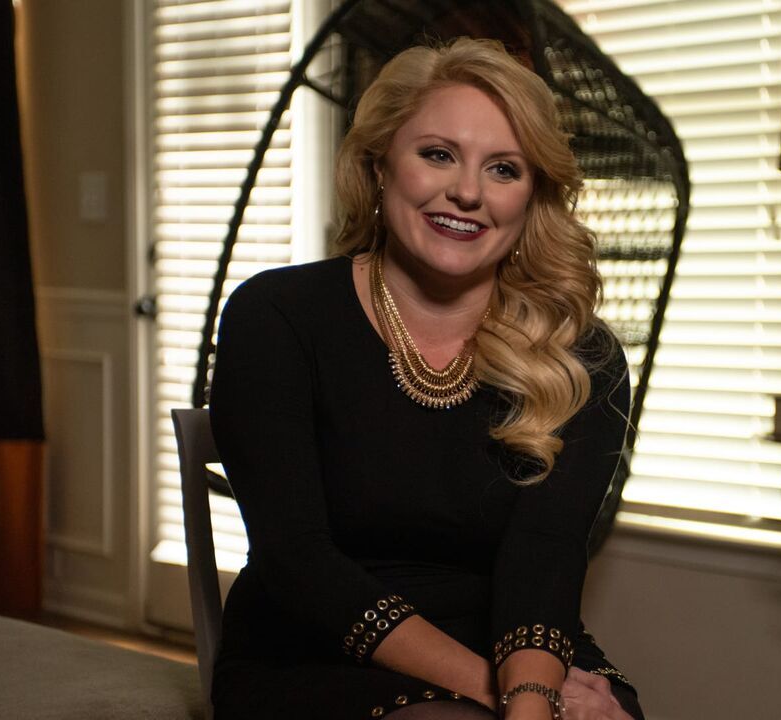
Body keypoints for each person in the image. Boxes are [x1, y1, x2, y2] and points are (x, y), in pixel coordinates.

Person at [208, 37, 642, 720]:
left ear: (533, 196)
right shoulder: (277, 316)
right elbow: (297, 562)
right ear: (380, 164)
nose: (467, 192)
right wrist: (498, 693)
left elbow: (545, 560)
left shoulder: (579, 359)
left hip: (515, 642)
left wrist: (533, 699)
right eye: (438, 154)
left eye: (504, 169)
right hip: (313, 648)